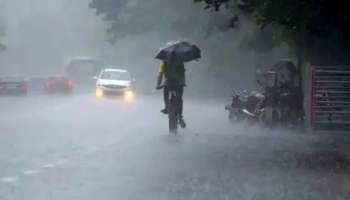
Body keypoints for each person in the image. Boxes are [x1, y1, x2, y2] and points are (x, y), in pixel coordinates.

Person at [156, 54, 186, 128]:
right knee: (179, 98)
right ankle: (180, 116)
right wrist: (183, 82)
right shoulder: (180, 62)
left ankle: (166, 107)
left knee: (165, 93)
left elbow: (160, 74)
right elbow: (183, 74)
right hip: (178, 83)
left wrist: (158, 85)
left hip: (168, 83)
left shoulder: (163, 63)